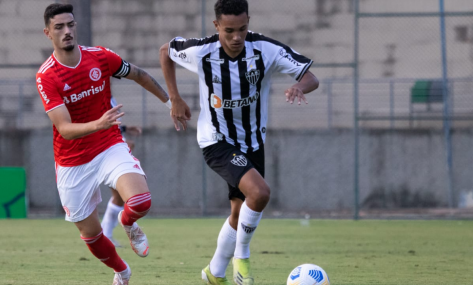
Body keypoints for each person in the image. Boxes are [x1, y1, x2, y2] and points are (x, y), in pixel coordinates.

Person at [159, 0, 319, 284]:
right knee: (259, 193)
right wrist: (174, 97)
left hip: (253, 142)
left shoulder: (266, 50)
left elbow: (311, 77)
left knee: (239, 211)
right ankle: (241, 258)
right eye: (229, 30)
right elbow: (165, 51)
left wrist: (298, 85)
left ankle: (214, 272)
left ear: (249, 23)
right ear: (216, 26)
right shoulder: (202, 51)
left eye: (242, 29)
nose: (236, 37)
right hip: (216, 140)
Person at [36, 4, 175, 285]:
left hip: (108, 145)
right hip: (72, 162)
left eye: (71, 25)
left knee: (141, 201)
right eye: (59, 27)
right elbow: (64, 129)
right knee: (91, 235)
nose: (67, 31)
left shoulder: (100, 57)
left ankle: (128, 223)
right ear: (48, 33)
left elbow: (138, 74)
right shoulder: (47, 76)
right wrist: (98, 123)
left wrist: (171, 102)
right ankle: (122, 272)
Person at [101, 97, 142, 248]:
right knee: (125, 196)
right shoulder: (94, 91)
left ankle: (106, 235)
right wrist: (124, 144)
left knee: (119, 196)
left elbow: (111, 126)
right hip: (103, 151)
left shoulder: (109, 97)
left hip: (114, 148)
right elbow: (99, 125)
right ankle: (105, 235)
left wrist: (124, 130)